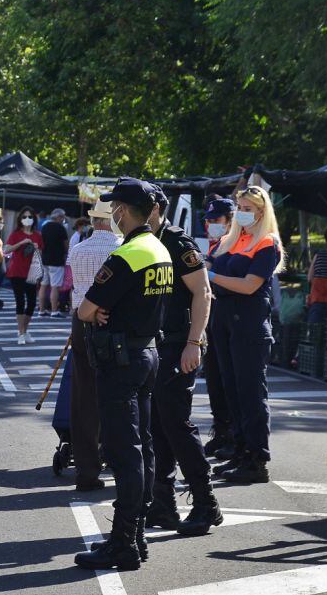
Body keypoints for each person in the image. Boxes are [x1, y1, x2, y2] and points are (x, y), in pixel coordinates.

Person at [74, 178, 172, 572]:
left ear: (124, 211)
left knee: (123, 451)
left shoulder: (127, 254)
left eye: (116, 207)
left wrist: (92, 310)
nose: (113, 213)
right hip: (147, 352)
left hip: (120, 360)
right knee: (143, 446)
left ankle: (123, 543)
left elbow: (85, 309)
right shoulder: (159, 249)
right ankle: (137, 534)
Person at [143, 188, 222, 536]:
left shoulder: (176, 240)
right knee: (157, 426)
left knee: (176, 424)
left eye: (127, 207)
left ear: (157, 209)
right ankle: (163, 502)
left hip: (178, 345)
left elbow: (203, 292)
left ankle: (206, 503)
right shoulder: (144, 242)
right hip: (155, 345)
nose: (120, 214)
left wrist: (194, 342)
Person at [207, 185, 285, 484]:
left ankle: (256, 458)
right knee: (232, 390)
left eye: (248, 208)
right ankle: (240, 451)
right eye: (240, 206)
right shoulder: (231, 240)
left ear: (262, 212)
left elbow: (250, 285)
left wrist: (211, 276)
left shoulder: (267, 242)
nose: (241, 212)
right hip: (224, 320)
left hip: (249, 323)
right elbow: (208, 264)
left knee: (251, 393)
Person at [66, 199, 119, 492]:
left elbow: (76, 285)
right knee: (118, 393)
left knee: (84, 396)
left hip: (81, 320)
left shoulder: (78, 248)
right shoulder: (122, 248)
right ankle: (114, 456)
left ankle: (86, 469)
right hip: (113, 321)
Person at [201, 198, 237, 459]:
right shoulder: (214, 246)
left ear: (230, 221)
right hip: (213, 322)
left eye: (217, 220)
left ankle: (235, 436)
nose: (211, 224)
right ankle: (222, 430)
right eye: (209, 220)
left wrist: (208, 276)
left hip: (232, 320)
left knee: (229, 382)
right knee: (214, 379)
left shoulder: (236, 246)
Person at [3, 208, 44, 345]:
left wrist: (36, 248)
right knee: (20, 301)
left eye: (30, 217)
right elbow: (6, 250)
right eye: (25, 217)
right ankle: (21, 332)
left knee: (32, 303)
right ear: (20, 219)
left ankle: (24, 330)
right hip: (17, 271)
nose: (27, 219)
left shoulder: (38, 235)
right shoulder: (16, 234)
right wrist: (21, 243)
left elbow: (40, 254)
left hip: (32, 271)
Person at [39, 208, 69, 318]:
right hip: (56, 261)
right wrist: (66, 254)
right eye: (62, 217)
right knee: (55, 287)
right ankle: (54, 310)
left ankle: (41, 310)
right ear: (58, 217)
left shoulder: (45, 227)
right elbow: (66, 245)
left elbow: (41, 243)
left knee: (43, 285)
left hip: (45, 259)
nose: (63, 219)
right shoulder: (61, 228)